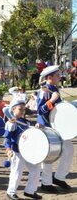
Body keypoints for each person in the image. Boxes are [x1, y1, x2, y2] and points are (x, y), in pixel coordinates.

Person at [37, 65, 73, 193]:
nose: (60, 77)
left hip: (57, 126)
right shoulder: (45, 91)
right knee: (49, 155)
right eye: (57, 75)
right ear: (49, 77)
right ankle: (46, 183)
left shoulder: (53, 88)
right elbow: (40, 111)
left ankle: (58, 177)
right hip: (47, 126)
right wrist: (52, 100)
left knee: (69, 149)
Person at [4, 99, 42, 200]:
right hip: (17, 151)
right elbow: (7, 138)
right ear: (13, 110)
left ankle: (30, 191)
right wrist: (8, 149)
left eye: (24, 109)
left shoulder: (26, 122)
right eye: (20, 109)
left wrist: (36, 129)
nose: (22, 111)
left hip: (28, 151)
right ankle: (11, 192)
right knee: (16, 172)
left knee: (36, 169)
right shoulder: (11, 123)